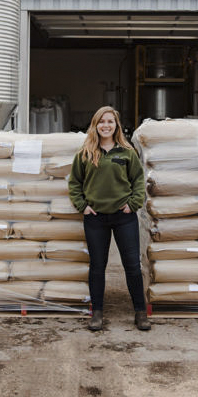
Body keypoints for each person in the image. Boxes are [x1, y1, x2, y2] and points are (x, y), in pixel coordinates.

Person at [69, 106, 150, 331]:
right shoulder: (85, 153)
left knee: (132, 266)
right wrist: (82, 206)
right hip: (95, 218)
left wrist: (133, 204)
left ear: (116, 126)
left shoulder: (126, 152)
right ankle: (97, 313)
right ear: (95, 125)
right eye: (102, 121)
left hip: (123, 218)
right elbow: (74, 182)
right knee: (97, 266)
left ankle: (140, 312)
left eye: (110, 122)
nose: (106, 125)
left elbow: (138, 181)